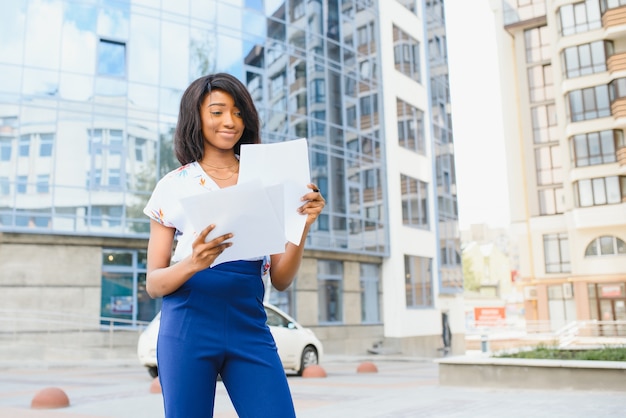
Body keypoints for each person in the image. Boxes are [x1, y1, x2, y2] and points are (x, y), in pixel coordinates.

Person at [143, 73, 325, 418]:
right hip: (187, 326)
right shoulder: (172, 185)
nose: (230, 121)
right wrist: (194, 263)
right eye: (217, 111)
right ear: (195, 117)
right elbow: (154, 284)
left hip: (249, 323)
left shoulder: (269, 178)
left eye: (239, 112)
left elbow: (282, 279)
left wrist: (302, 225)